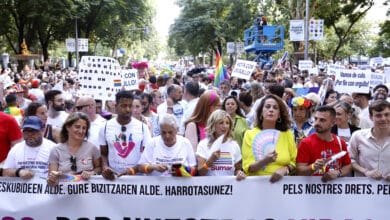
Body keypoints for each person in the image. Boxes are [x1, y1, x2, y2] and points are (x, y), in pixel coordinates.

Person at [242, 94, 297, 183]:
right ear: (261, 112)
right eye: (267, 107)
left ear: (279, 115)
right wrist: (264, 161)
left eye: (275, 108)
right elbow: (248, 168)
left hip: (282, 185)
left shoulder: (287, 134)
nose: (271, 110)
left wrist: (285, 169)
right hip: (256, 186)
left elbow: (294, 162)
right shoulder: (249, 134)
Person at [99, 90, 151, 180]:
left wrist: (133, 170)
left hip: (136, 178)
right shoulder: (105, 127)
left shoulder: (143, 128)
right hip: (113, 179)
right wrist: (105, 167)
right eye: (123, 106)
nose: (128, 109)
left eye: (130, 106)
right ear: (116, 107)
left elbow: (147, 155)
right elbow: (103, 153)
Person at [296, 106, 352, 182]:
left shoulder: (340, 142)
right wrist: (313, 167)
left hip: (335, 190)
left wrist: (338, 173)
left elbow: (348, 165)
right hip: (311, 190)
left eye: (322, 120)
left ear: (333, 123)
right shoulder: (306, 143)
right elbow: (299, 170)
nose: (317, 123)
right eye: (316, 119)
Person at [47, 112, 101, 186]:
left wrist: (92, 173)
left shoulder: (92, 148)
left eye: (84, 128)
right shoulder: (56, 150)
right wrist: (54, 178)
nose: (81, 131)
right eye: (77, 127)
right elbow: (52, 179)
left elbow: (99, 168)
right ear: (68, 127)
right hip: (64, 195)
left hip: (87, 194)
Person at [196, 110, 246, 180]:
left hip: (229, 189)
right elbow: (201, 172)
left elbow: (236, 170)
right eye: (221, 123)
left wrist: (239, 173)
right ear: (213, 125)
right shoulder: (203, 144)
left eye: (227, 123)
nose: (225, 126)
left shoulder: (234, 145)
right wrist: (210, 161)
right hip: (210, 188)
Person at [348, 100, 390, 180]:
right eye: (378, 116)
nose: (383, 119)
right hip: (364, 188)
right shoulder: (358, 136)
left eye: (387, 115)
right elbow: (349, 159)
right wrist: (365, 172)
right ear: (371, 117)